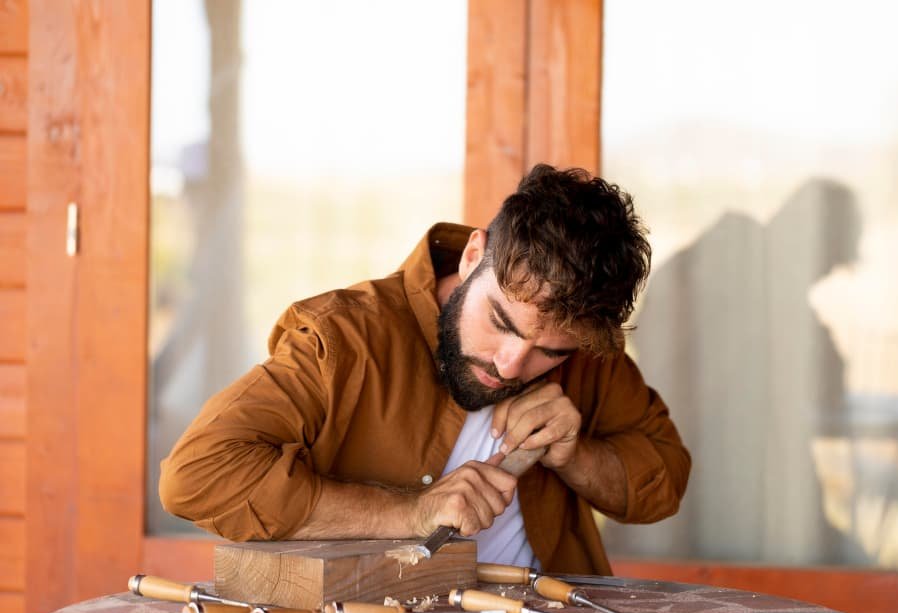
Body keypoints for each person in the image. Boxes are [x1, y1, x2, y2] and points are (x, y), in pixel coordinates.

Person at [159, 164, 691, 575]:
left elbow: (664, 481)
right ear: (472, 255)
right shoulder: (343, 339)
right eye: (500, 321)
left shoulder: (584, 343)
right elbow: (195, 477)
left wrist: (576, 455)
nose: (511, 364)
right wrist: (409, 513)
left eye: (549, 353)